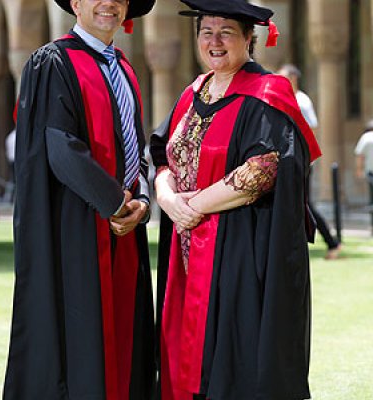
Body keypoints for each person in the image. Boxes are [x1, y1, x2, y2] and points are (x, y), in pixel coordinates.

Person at [150, 1, 321, 399]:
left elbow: (265, 167)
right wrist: (166, 196)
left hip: (242, 248)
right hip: (187, 248)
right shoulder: (194, 92)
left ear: (250, 38)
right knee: (187, 349)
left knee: (234, 349)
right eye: (206, 32)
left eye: (226, 32)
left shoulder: (267, 93)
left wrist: (191, 206)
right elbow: (160, 153)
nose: (215, 41)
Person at [3, 0, 156, 399]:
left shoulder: (124, 68)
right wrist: (115, 203)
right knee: (81, 336)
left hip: (123, 230)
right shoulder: (53, 63)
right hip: (76, 228)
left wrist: (140, 199)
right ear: (75, 4)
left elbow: (133, 145)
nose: (109, 4)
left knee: (125, 334)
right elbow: (61, 147)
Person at [278, 64, 341, 260]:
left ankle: (332, 243)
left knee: (304, 204)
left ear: (293, 79)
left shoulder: (301, 101)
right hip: (288, 161)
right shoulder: (285, 98)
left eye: (283, 77)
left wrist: (301, 156)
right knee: (295, 203)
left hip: (300, 162)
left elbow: (311, 129)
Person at [355, 119, 373, 232]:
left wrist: (359, 170)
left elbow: (359, 155)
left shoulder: (366, 137)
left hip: (371, 173)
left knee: (372, 201)